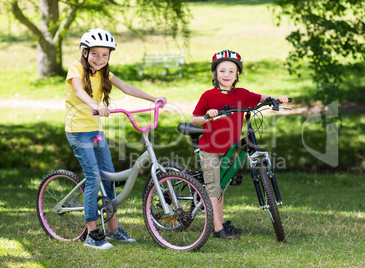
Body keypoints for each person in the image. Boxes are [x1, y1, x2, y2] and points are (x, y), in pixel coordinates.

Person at [65, 28, 167, 250]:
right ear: (84, 52)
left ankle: (112, 228)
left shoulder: (103, 73)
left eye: (105, 54)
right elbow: (80, 92)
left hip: (95, 131)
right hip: (78, 130)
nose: (100, 59)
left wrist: (153, 99)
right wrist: (96, 105)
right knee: (93, 177)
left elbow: (126, 87)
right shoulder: (75, 68)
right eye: (95, 54)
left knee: (109, 176)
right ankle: (92, 233)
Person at [191, 50, 288, 239]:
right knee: (213, 187)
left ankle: (220, 221)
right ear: (214, 74)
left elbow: (261, 98)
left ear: (237, 75)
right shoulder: (208, 96)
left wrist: (277, 99)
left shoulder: (242, 94)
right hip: (210, 149)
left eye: (231, 71)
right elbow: (194, 120)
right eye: (222, 71)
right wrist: (207, 116)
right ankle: (217, 229)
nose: (226, 75)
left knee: (222, 185)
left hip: (229, 148)